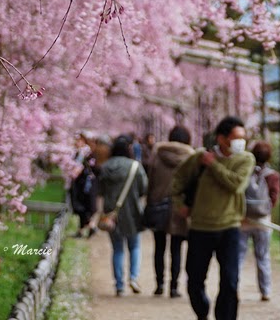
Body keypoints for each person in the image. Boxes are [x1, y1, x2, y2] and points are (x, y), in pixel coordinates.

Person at [172, 115, 255, 320]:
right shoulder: (200, 157)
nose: (240, 142)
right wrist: (179, 204)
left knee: (230, 280)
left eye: (242, 138)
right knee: (194, 279)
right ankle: (202, 311)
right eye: (236, 137)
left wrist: (214, 165)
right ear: (221, 138)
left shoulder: (245, 159)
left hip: (230, 227)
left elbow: (236, 184)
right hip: (200, 227)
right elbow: (178, 180)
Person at [95, 135, 148, 296]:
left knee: (117, 249)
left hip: (112, 214)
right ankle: (133, 277)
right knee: (135, 246)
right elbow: (143, 189)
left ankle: (119, 285)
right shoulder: (135, 167)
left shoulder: (105, 167)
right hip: (132, 213)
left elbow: (100, 191)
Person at [146, 126, 194, 297]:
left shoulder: (158, 155)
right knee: (176, 248)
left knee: (159, 248)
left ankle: (159, 284)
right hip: (180, 208)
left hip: (158, 205)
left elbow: (150, 181)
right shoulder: (191, 158)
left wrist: (150, 201)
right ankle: (174, 287)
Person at [238, 140, 280, 302]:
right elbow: (274, 198)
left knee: (239, 256)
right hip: (263, 222)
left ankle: (234, 287)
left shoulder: (245, 172)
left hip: (243, 221)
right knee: (263, 256)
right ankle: (266, 291)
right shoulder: (273, 176)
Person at [69, 131, 96, 237]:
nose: (77, 142)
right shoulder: (78, 153)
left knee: (84, 207)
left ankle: (90, 227)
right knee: (81, 208)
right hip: (80, 185)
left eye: (79, 140)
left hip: (85, 186)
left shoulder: (86, 153)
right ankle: (87, 228)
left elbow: (81, 169)